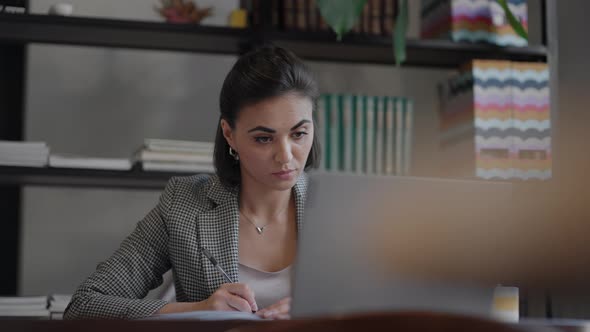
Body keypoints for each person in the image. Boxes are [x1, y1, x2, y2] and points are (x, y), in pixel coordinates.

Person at [64, 45, 320, 320]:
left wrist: (318, 316)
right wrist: (198, 310)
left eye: (299, 134)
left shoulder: (338, 209)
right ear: (229, 134)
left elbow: (371, 310)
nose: (285, 156)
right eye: (263, 138)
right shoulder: (183, 204)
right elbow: (83, 307)